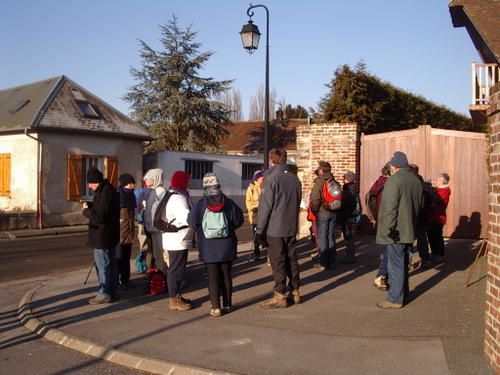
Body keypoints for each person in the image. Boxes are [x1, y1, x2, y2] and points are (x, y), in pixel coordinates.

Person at [188, 173, 244, 317]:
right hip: (227, 245)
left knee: (212, 277)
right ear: (218, 186)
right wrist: (228, 230)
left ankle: (215, 307)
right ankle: (227, 304)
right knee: (226, 275)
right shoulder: (229, 202)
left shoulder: (201, 204)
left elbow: (192, 222)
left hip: (208, 246)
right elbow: (239, 220)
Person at [376, 152, 423, 309]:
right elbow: (420, 205)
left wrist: (388, 228)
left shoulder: (394, 180)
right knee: (402, 263)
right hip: (409, 228)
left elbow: (390, 207)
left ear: (394, 165)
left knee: (395, 265)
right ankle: (403, 294)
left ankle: (394, 299)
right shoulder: (415, 180)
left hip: (395, 230)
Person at [256, 148, 302, 308]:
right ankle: (295, 290)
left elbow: (265, 208)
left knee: (278, 261)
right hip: (290, 225)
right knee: (292, 258)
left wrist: (259, 230)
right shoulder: (295, 179)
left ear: (272, 160)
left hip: (275, 228)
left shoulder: (271, 179)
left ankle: (280, 294)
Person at [82, 167, 120, 304]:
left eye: (90, 183)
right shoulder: (107, 190)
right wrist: (92, 204)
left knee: (103, 266)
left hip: (103, 236)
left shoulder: (106, 192)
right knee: (110, 264)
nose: (89, 186)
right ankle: (113, 291)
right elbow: (103, 208)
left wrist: (86, 211)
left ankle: (104, 293)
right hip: (108, 235)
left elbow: (100, 217)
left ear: (96, 181)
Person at [163, 171, 195, 311]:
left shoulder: (174, 194)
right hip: (177, 239)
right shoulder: (178, 198)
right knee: (175, 270)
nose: (189, 183)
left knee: (177, 269)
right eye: (187, 180)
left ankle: (177, 296)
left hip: (176, 238)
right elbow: (185, 217)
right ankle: (173, 299)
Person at [310, 161, 339, 271]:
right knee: (331, 236)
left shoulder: (320, 181)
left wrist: (315, 209)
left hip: (322, 212)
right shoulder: (333, 180)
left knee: (322, 237)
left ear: (321, 170)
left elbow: (315, 198)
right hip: (333, 211)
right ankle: (332, 261)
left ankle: (322, 263)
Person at [367, 164, 391, 290]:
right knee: (388, 250)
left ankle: (383, 275)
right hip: (387, 220)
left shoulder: (378, 184)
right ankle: (381, 275)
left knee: (386, 250)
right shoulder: (388, 185)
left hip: (380, 220)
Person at [143, 168, 168, 274]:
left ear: (155, 179)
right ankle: (160, 276)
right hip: (153, 229)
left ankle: (166, 276)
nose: (146, 182)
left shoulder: (162, 192)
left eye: (148, 179)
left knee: (163, 254)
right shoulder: (152, 192)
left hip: (160, 229)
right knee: (157, 254)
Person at [116, 173, 136, 289]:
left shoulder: (131, 196)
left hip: (128, 234)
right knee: (118, 258)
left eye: (133, 184)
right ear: (124, 184)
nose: (132, 186)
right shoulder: (119, 197)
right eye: (130, 184)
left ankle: (126, 280)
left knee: (126, 259)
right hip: (119, 235)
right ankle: (116, 281)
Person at [426, 173, 451, 263]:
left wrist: (432, 190)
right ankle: (434, 252)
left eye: (438, 179)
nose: (436, 181)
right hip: (432, 217)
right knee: (431, 236)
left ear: (442, 181)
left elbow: (435, 201)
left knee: (437, 237)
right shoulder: (439, 190)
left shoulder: (444, 191)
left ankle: (440, 255)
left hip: (438, 218)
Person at [338, 170, 359, 264]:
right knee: (352, 237)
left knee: (348, 237)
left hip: (347, 216)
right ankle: (351, 255)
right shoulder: (355, 189)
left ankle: (349, 257)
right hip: (354, 216)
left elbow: (344, 205)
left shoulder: (347, 191)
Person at [245, 170, 265, 261]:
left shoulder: (264, 187)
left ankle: (268, 252)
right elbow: (248, 203)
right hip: (255, 217)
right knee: (256, 237)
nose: (263, 178)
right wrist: (257, 206)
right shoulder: (251, 189)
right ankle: (257, 254)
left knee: (265, 235)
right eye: (262, 177)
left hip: (264, 216)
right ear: (257, 178)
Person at [134, 181, 153, 269]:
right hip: (145, 220)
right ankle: (144, 264)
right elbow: (137, 205)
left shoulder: (138, 191)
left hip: (142, 220)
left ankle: (144, 264)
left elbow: (136, 206)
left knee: (144, 244)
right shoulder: (142, 192)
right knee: (148, 244)